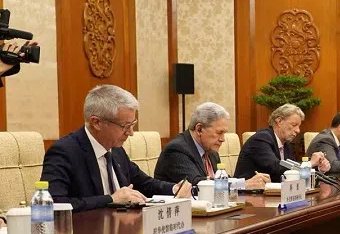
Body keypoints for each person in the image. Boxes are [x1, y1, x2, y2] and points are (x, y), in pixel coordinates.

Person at [40, 85, 192, 212]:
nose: (131, 133)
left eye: (132, 125)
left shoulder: (116, 149)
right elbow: (54, 205)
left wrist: (174, 189)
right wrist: (111, 199)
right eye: (125, 126)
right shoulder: (65, 152)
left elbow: (144, 183)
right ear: (97, 122)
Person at [155, 102, 269, 188]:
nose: (223, 139)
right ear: (199, 129)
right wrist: (243, 184)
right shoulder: (177, 150)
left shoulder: (211, 151)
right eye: (219, 133)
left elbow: (223, 180)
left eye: (224, 133)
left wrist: (250, 182)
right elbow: (198, 184)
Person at [234, 104, 330, 181]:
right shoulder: (261, 139)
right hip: (248, 196)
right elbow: (276, 168)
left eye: (299, 126)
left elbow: (292, 168)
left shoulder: (285, 144)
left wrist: (319, 168)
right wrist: (310, 163)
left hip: (274, 195)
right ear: (279, 121)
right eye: (294, 125)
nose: (298, 130)